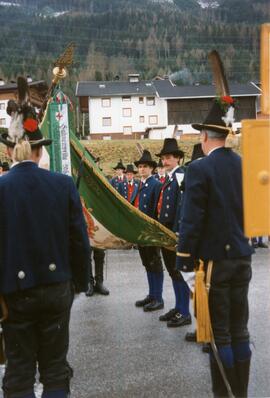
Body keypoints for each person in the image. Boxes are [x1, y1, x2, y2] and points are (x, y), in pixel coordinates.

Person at [0, 77, 91, 398]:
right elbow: (79, 241)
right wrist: (81, 283)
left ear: (11, 151)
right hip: (56, 290)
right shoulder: (62, 185)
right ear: (39, 152)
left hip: (15, 294)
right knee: (55, 369)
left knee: (20, 371)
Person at [177, 98, 253, 397]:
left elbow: (192, 219)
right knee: (240, 329)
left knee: (219, 332)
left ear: (206, 137)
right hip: (243, 256)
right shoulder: (244, 165)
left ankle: (225, 394)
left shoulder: (200, 169)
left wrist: (184, 259)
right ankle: (241, 393)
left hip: (215, 263)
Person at [155, 138, 191, 327]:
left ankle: (185, 312)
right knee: (172, 271)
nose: (165, 161)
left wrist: (177, 231)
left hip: (174, 232)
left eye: (169, 157)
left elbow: (181, 205)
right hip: (166, 231)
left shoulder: (181, 175)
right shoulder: (168, 177)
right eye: (163, 158)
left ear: (178, 158)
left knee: (179, 272)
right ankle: (178, 307)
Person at [133, 150, 164, 311]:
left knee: (154, 263)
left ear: (152, 168)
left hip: (150, 231)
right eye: (140, 167)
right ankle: (152, 294)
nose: (142, 169)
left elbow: (156, 210)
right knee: (147, 264)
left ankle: (158, 297)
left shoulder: (156, 185)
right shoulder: (140, 184)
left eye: (145, 166)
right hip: (140, 231)